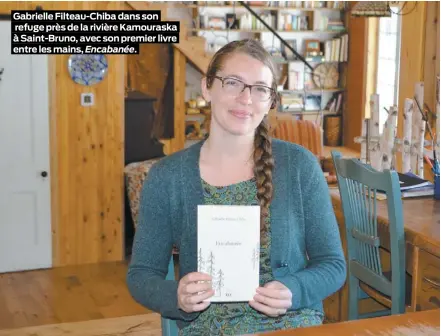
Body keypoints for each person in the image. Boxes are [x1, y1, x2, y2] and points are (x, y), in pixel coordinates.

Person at [127, 39, 346, 335]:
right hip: (206, 327)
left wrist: (294, 289)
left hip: (291, 324)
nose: (246, 99)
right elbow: (142, 276)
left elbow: (332, 265)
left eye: (259, 89)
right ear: (207, 87)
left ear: (270, 101)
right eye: (233, 83)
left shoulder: (299, 167)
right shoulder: (168, 177)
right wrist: (176, 295)